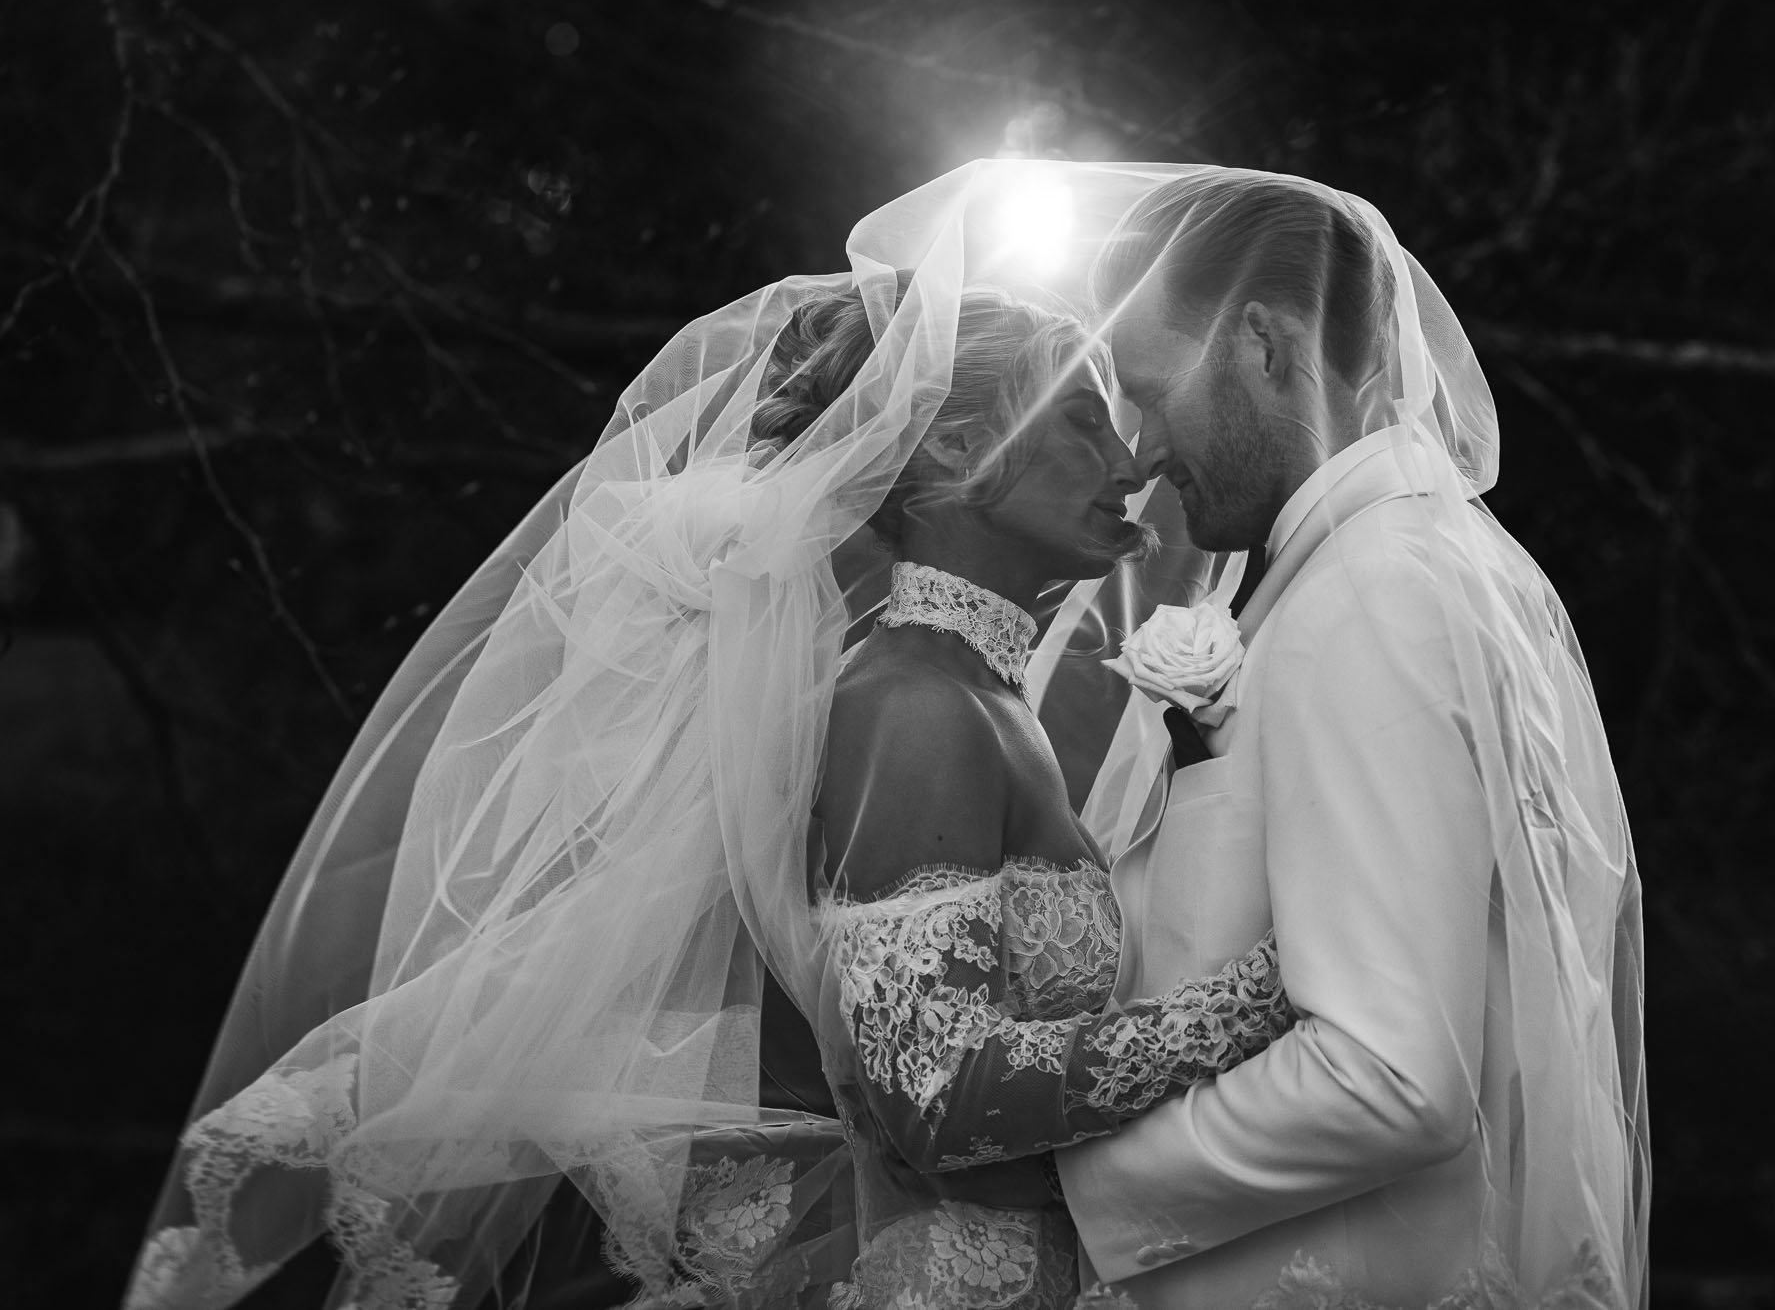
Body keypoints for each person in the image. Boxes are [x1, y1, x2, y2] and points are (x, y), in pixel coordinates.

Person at [123, 167, 1293, 1310]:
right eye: (1085, 419)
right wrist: (1267, 998)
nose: (1135, 464)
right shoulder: (912, 707)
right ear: (943, 454)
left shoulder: (978, 698)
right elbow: (936, 1102)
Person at [1049, 168, 1650, 1309]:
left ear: (1263, 347)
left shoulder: (1375, 594)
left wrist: (1075, 1188)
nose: (1142, 447)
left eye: (1149, 388)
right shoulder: (1412, 561)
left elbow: (1392, 1078)